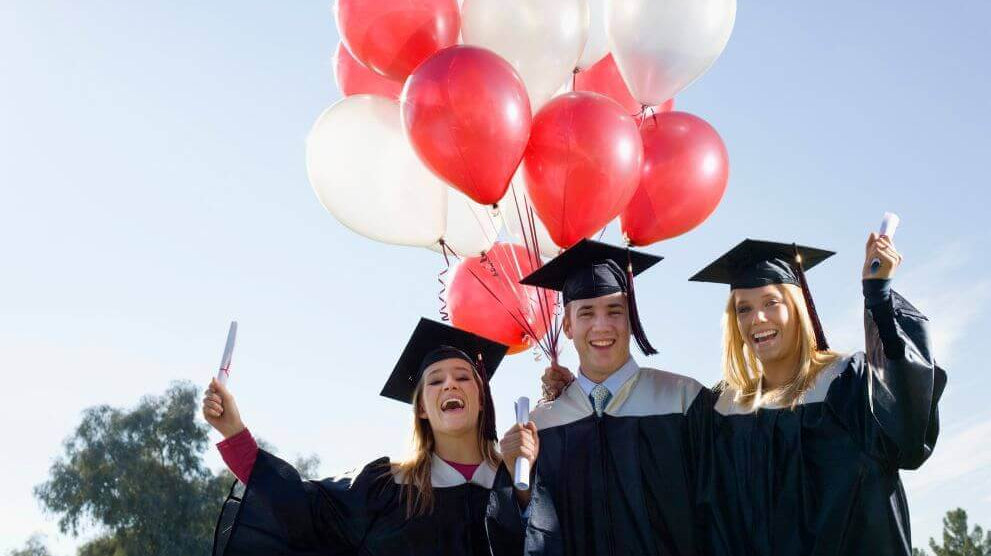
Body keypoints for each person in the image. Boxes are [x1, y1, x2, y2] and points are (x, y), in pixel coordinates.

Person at [687, 235, 946, 555]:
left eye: (771, 302)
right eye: (744, 309)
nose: (757, 319)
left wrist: (878, 296)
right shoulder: (723, 413)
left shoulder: (848, 384)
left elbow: (909, 436)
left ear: (799, 308)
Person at [202, 318, 524, 556]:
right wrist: (233, 432)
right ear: (422, 408)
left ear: (481, 398)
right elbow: (298, 507)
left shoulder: (522, 482)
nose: (450, 385)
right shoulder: (385, 487)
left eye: (463, 377)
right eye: (435, 381)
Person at [500, 239, 705, 556]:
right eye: (586, 313)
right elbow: (529, 533)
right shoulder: (541, 425)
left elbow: (720, 508)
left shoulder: (682, 399)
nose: (601, 325)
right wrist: (517, 481)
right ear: (567, 326)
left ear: (631, 318)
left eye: (615, 310)